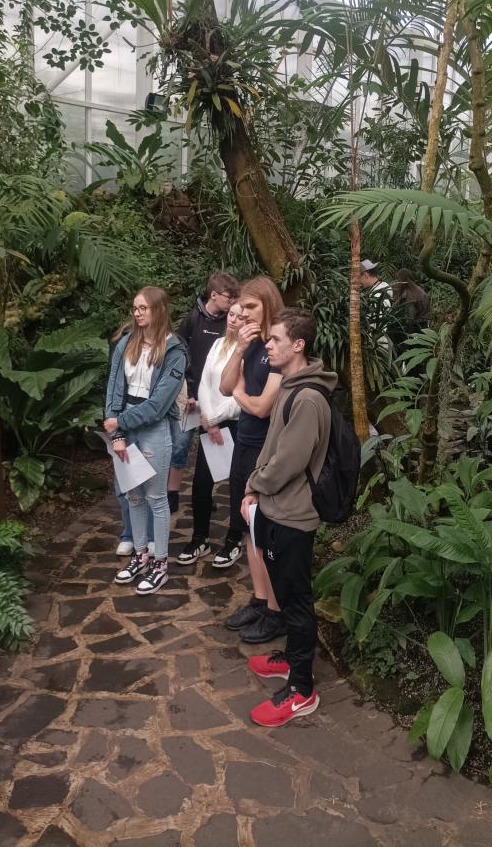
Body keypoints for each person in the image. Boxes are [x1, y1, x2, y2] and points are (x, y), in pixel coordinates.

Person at [240, 308, 337, 727]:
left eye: (276, 339)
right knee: (285, 593)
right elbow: (272, 449)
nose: (268, 344)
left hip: (294, 516)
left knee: (296, 601)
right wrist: (254, 488)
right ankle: (292, 661)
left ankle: (302, 689)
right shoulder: (290, 388)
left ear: (298, 345)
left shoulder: (309, 398)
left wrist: (256, 483)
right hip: (275, 509)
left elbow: (289, 462)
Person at [104, 286, 187, 595]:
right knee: (133, 497)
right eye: (135, 308)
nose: (137, 313)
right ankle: (140, 557)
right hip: (125, 429)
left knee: (156, 498)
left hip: (154, 430)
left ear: (159, 310)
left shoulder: (175, 351)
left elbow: (158, 406)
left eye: (143, 308)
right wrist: (117, 434)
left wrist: (120, 422)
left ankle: (160, 565)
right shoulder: (125, 343)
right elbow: (113, 389)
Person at [218, 276, 285, 644]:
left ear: (268, 305)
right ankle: (260, 601)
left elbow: (261, 407)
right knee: (246, 526)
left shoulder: (277, 347)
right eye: (240, 306)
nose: (242, 313)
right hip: (242, 444)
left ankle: (276, 611)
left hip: (266, 449)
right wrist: (240, 349)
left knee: (264, 529)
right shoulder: (251, 344)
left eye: (250, 306)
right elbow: (225, 386)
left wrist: (241, 392)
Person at [176, 301, 243, 564]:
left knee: (237, 484)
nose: (233, 320)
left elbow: (241, 395)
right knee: (201, 483)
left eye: (239, 316)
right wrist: (207, 418)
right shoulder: (218, 344)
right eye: (231, 314)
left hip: (235, 423)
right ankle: (199, 538)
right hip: (210, 423)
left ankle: (234, 540)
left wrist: (214, 418)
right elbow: (204, 382)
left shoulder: (249, 350)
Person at [167, 272, 240, 514]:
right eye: (229, 297)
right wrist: (186, 389)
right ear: (214, 295)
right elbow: (178, 353)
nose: (232, 303)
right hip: (190, 393)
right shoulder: (192, 319)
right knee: (181, 443)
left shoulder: (229, 322)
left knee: (214, 446)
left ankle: (206, 496)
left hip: (218, 399)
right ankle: (172, 493)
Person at [391, 268, 430, 355]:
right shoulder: (419, 291)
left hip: (413, 328)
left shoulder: (412, 294)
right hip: (418, 328)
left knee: (411, 353)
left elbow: (410, 317)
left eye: (398, 280)